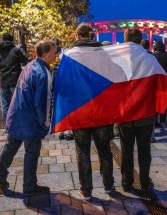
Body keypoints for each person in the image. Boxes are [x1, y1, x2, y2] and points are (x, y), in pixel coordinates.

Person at [0, 40, 56, 195]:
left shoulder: (30, 65)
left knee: (11, 147)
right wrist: (45, 124)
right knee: (32, 152)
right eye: (54, 52)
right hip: (30, 120)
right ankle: (29, 186)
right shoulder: (43, 74)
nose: (55, 55)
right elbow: (43, 102)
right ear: (45, 55)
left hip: (16, 113)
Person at [68, 23, 115, 200]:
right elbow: (114, 77)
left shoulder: (70, 55)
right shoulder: (104, 54)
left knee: (82, 150)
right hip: (101, 110)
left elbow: (64, 84)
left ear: (77, 35)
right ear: (92, 36)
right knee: (105, 150)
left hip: (79, 111)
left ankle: (86, 190)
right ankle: (109, 185)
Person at [119, 28, 157, 192]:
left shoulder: (119, 59)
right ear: (140, 39)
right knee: (144, 150)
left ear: (126, 39)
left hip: (125, 113)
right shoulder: (150, 58)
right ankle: (144, 182)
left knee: (126, 150)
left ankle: (127, 182)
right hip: (145, 112)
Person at [0, 33, 28, 126]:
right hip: (15, 80)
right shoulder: (15, 50)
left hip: (4, 80)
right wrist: (21, 49)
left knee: (5, 105)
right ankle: (18, 122)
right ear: (12, 40)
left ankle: (8, 124)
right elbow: (25, 59)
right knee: (17, 102)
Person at [51, 38, 74, 141]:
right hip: (61, 84)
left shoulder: (62, 53)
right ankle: (63, 131)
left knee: (63, 107)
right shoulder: (65, 53)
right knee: (62, 107)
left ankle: (66, 131)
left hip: (63, 84)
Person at [153, 41, 167, 126]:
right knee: (164, 100)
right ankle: (163, 120)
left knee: (154, 101)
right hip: (165, 80)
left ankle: (155, 121)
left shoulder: (153, 55)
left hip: (156, 80)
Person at [141, 39, 156, 143]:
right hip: (149, 89)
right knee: (150, 115)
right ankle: (151, 136)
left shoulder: (135, 56)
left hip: (138, 89)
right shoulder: (152, 57)